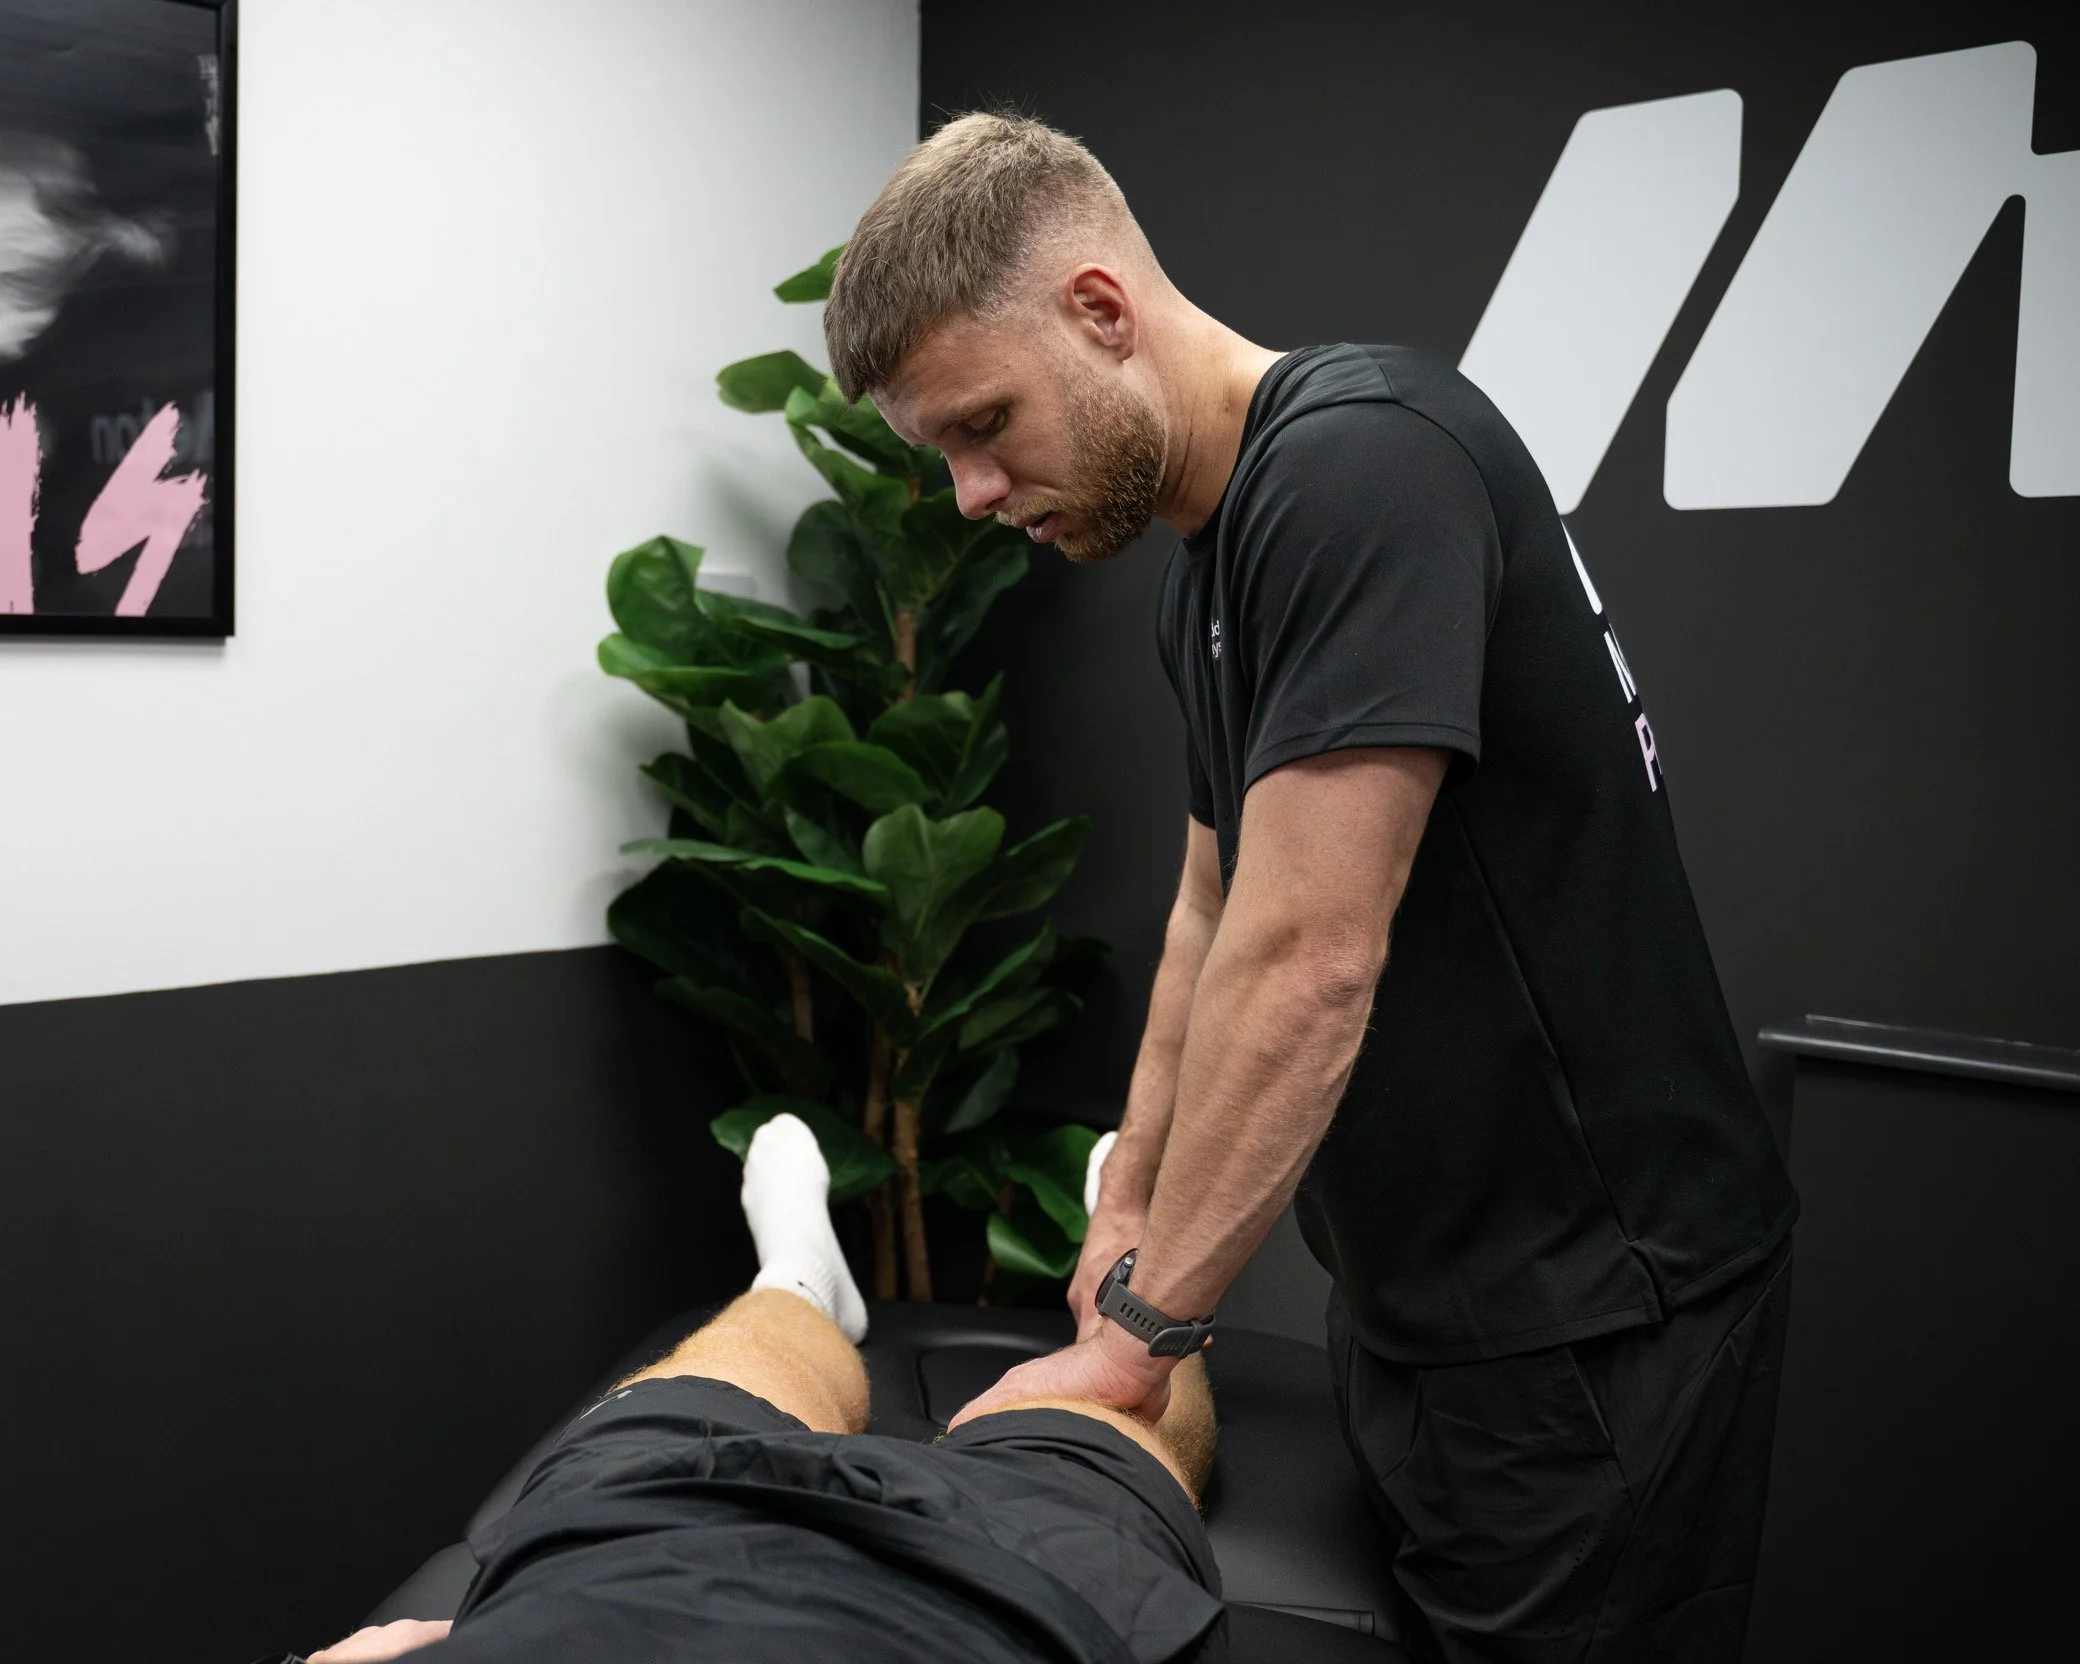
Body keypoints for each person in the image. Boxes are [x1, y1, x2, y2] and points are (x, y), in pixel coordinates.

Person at [826, 113, 1799, 1662]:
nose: (969, 492)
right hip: (1432, 1309)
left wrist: (1147, 1338)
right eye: (944, 450)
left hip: (1596, 1317)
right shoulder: (1213, 566)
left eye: (985, 422)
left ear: (1099, 310)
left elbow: (1310, 960)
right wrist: (1129, 1207)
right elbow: (1214, 914)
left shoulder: (1361, 467)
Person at [294, 1114, 1222, 1664]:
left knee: (741, 1356)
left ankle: (800, 1281)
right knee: (1117, 1400)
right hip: (999, 1596)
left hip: (615, 1548)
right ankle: (1128, 1311)